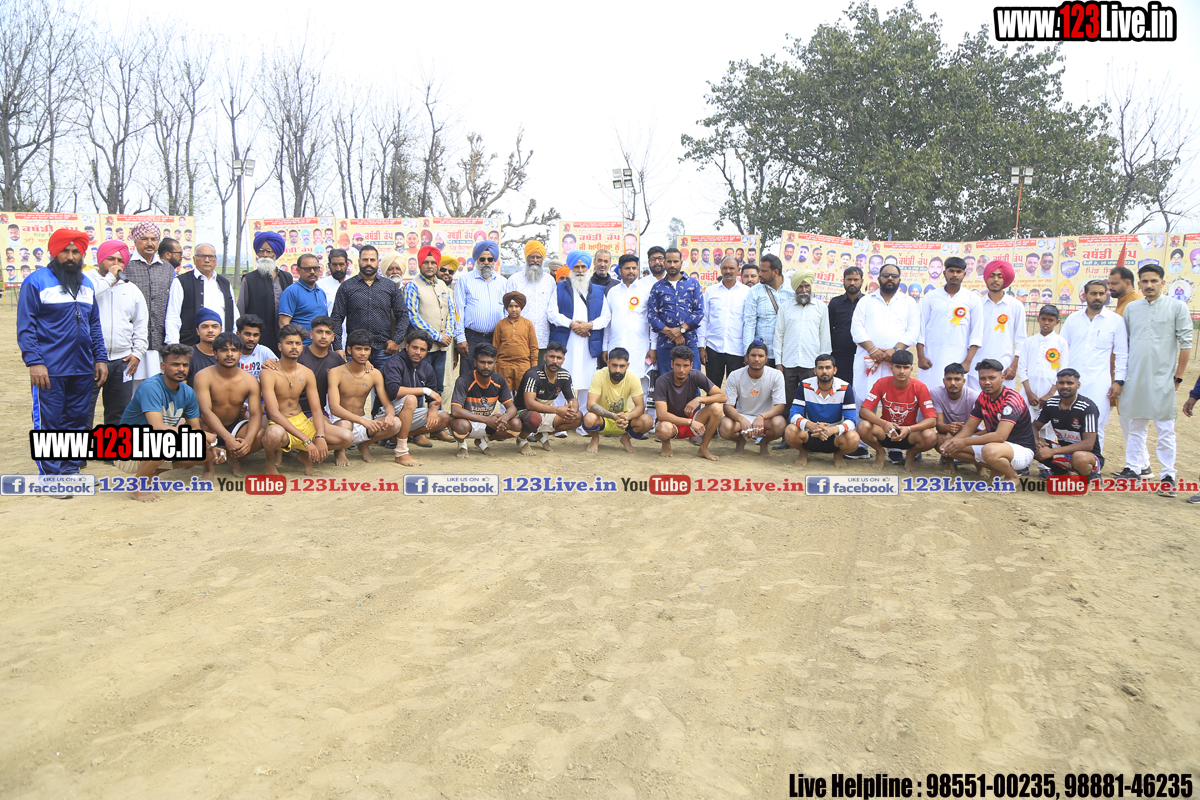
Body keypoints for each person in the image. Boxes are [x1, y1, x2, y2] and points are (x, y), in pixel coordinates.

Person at [18, 228, 108, 480]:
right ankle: (51, 475)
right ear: (54, 252)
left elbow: (94, 324)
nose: (70, 257)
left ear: (82, 255)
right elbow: (26, 327)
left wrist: (100, 358)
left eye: (75, 252)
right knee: (50, 421)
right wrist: (35, 362)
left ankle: (70, 469)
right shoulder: (36, 282)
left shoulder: (87, 284)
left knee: (77, 419)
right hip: (50, 368)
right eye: (65, 251)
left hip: (83, 366)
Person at [1111, 264, 1192, 495]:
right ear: (1139, 284)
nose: (1149, 285)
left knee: (1165, 428)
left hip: (1162, 378)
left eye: (1154, 281)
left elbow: (1186, 343)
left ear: (1162, 283)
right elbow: (1124, 345)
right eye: (1144, 281)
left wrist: (1178, 377)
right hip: (1134, 377)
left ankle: (1168, 476)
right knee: (1136, 426)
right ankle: (1133, 469)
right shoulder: (1132, 308)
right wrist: (1121, 377)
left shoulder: (1176, 307)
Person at [118, 344, 210, 502]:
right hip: (126, 448)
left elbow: (195, 429)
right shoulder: (151, 387)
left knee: (206, 450)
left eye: (185, 365)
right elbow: (157, 427)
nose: (181, 369)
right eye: (175, 364)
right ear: (163, 366)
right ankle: (136, 486)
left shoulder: (188, 392)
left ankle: (151, 472)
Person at [261, 325, 352, 476]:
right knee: (273, 434)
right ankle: (270, 462)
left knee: (347, 438)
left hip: (302, 420)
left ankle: (305, 455)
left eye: (298, 343)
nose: (294, 347)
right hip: (280, 423)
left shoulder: (306, 373)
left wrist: (320, 436)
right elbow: (273, 413)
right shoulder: (269, 373)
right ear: (280, 346)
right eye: (289, 343)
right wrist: (307, 441)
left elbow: (316, 410)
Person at [940, 359, 1039, 480]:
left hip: (1020, 449)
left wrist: (964, 442)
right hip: (995, 446)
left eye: (992, 378)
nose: (987, 382)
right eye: (983, 378)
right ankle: (997, 468)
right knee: (948, 444)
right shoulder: (983, 396)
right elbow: (969, 427)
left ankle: (1012, 476)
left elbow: (1000, 436)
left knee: (988, 450)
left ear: (1002, 378)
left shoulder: (1011, 399)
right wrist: (953, 442)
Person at [84, 239, 147, 428]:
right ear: (101, 260)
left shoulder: (132, 289)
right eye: (111, 259)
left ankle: (113, 446)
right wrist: (109, 280)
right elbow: (87, 298)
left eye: (120, 260)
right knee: (84, 410)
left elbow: (141, 324)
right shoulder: (87, 282)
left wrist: (137, 353)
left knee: (119, 412)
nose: (116, 264)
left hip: (122, 360)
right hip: (90, 358)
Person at [1060, 280, 1127, 452]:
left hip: (1099, 382)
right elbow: (1062, 349)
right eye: (1093, 293)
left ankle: (1095, 462)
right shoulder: (1073, 319)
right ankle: (1068, 461)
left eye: (1101, 293)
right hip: (1071, 382)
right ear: (1085, 295)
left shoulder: (1115, 321)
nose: (1098, 297)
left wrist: (1118, 381)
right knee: (1068, 421)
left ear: (1106, 295)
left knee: (1096, 424)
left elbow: (1121, 354)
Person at [850, 262, 920, 415]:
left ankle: (891, 431)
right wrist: (872, 350)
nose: (890, 279)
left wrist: (895, 351)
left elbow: (913, 331)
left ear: (899, 279)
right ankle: (862, 431)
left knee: (895, 403)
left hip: (895, 362)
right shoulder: (866, 301)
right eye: (886, 275)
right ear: (879, 278)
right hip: (868, 359)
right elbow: (856, 328)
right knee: (864, 400)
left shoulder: (909, 302)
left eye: (894, 276)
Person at [326, 329, 404, 464]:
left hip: (362, 421)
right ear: (349, 350)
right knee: (345, 423)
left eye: (366, 349)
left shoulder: (374, 374)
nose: (363, 353)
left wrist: (390, 415)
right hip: (339, 422)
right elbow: (334, 408)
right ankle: (340, 451)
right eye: (358, 349)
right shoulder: (336, 372)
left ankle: (364, 445)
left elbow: (387, 404)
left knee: (396, 423)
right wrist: (363, 421)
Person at [193, 332, 264, 478]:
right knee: (198, 435)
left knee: (260, 435)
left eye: (234, 350)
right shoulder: (203, 376)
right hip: (208, 426)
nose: (229, 354)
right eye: (224, 350)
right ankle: (208, 467)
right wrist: (228, 438)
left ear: (240, 353)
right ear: (215, 353)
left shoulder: (250, 381)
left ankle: (234, 457)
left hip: (234, 425)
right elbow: (205, 411)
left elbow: (256, 414)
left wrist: (248, 441)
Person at [329, 245, 408, 371]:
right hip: (355, 349)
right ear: (359, 261)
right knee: (355, 383)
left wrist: (396, 340)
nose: (369, 263)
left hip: (383, 350)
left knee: (384, 383)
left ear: (378, 262)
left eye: (372, 260)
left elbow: (403, 315)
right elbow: (336, 319)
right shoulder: (347, 287)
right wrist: (338, 347)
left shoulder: (389, 286)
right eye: (365, 260)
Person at [379, 331, 453, 464]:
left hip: (408, 413)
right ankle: (401, 451)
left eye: (422, 350)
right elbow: (394, 391)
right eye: (415, 347)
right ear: (407, 346)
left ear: (427, 352)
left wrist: (433, 409)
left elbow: (434, 398)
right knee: (411, 399)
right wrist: (425, 390)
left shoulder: (427, 368)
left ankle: (397, 436)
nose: (418, 352)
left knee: (444, 418)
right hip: (386, 413)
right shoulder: (395, 362)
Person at [857, 350, 937, 470]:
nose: (902, 371)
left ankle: (911, 454)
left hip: (909, 433)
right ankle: (880, 452)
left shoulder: (920, 387)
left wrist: (909, 429)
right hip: (886, 432)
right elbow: (864, 411)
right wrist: (884, 424)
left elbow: (932, 420)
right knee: (863, 426)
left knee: (931, 436)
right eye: (898, 367)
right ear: (892, 368)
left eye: (906, 367)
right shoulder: (882, 383)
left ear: (911, 369)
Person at [548, 250, 610, 395]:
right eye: (576, 267)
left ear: (588, 268)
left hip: (588, 342)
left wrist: (590, 325)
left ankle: (584, 409)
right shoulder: (560, 288)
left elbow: (606, 316)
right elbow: (551, 313)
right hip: (566, 341)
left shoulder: (599, 291)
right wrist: (572, 324)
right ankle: (560, 409)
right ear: (571, 268)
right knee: (561, 379)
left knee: (587, 382)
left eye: (583, 267)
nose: (580, 270)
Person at [401, 244, 458, 398]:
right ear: (420, 264)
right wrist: (438, 336)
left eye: (433, 263)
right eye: (426, 262)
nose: (430, 266)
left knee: (437, 389)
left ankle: (436, 414)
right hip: (421, 349)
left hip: (441, 348)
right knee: (418, 390)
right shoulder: (412, 286)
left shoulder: (442, 285)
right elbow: (412, 317)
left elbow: (450, 313)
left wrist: (448, 334)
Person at [783, 353, 861, 466]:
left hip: (835, 435)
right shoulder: (805, 385)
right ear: (815, 370)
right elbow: (794, 414)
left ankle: (838, 455)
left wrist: (832, 430)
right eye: (820, 368)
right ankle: (803, 452)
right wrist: (811, 426)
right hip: (811, 433)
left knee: (853, 437)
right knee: (790, 430)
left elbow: (852, 421)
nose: (824, 371)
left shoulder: (845, 387)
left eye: (828, 367)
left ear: (835, 370)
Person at [654, 344, 727, 461]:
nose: (681, 370)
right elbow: (662, 415)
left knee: (717, 408)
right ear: (672, 364)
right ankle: (666, 444)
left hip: (692, 419)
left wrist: (699, 399)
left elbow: (723, 397)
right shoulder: (662, 381)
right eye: (678, 365)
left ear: (691, 365)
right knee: (664, 429)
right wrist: (689, 422)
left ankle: (703, 448)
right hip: (671, 423)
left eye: (686, 366)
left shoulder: (696, 375)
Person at [123, 221, 174, 386]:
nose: (150, 243)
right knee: (132, 391)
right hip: (131, 343)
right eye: (144, 239)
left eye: (154, 239)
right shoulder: (125, 266)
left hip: (159, 341)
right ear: (135, 240)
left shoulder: (167, 268)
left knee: (157, 388)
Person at [917, 256, 981, 387]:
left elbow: (977, 333)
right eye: (951, 271)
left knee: (955, 391)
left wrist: (967, 361)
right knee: (929, 391)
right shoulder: (931, 297)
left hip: (960, 356)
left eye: (959, 271)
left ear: (964, 274)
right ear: (944, 273)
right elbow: (921, 328)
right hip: (932, 356)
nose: (955, 275)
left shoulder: (973, 299)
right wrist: (921, 356)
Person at [773, 268, 832, 409]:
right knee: (787, 399)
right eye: (800, 286)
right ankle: (788, 422)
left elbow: (825, 336)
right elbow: (779, 335)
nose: (804, 290)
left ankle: (808, 423)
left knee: (811, 399)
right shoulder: (785, 307)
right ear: (795, 288)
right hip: (788, 363)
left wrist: (823, 363)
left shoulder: (821, 307)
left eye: (807, 286)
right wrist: (778, 362)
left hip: (811, 362)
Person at [718, 340, 787, 457]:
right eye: (753, 355)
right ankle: (740, 440)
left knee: (780, 424)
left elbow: (780, 406)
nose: (756, 359)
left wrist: (761, 416)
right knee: (725, 427)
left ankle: (764, 443)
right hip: (742, 417)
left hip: (765, 419)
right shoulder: (735, 375)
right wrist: (741, 419)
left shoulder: (776, 375)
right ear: (746, 357)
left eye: (761, 356)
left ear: (766, 358)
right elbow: (728, 406)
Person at [449, 343, 520, 458]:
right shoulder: (464, 380)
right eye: (482, 362)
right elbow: (455, 410)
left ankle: (483, 441)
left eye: (490, 363)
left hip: (487, 422)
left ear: (495, 363)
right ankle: (462, 444)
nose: (486, 366)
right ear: (475, 362)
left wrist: (504, 418)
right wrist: (486, 419)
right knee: (461, 425)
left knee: (516, 425)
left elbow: (512, 408)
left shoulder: (499, 380)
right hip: (467, 421)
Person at [1032, 368, 1103, 479]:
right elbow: (1034, 426)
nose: (1065, 386)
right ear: (1057, 384)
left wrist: (1052, 451)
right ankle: (1062, 474)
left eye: (1070, 383)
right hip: (1063, 451)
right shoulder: (1051, 403)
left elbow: (1088, 444)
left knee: (1079, 457)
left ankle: (1089, 478)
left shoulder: (1088, 407)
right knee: (1031, 443)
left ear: (1078, 385)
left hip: (1087, 455)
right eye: (1061, 383)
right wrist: (1036, 442)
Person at [514, 340, 583, 453]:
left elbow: (573, 399)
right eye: (552, 356)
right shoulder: (533, 374)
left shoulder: (564, 375)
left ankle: (541, 434)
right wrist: (558, 410)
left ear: (563, 360)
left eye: (559, 358)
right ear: (545, 357)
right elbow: (529, 404)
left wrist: (572, 410)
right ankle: (521, 439)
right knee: (534, 418)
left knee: (577, 416)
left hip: (545, 412)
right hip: (523, 412)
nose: (555, 361)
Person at [582, 347, 654, 453]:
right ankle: (595, 438)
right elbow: (590, 405)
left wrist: (627, 417)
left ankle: (626, 439)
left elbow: (640, 406)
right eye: (614, 365)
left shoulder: (633, 377)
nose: (618, 370)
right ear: (608, 363)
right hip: (603, 419)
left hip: (624, 420)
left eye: (622, 366)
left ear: (627, 365)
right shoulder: (599, 375)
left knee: (647, 420)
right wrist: (614, 416)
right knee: (589, 418)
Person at [972, 259, 1025, 391]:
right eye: (992, 275)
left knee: (1001, 401)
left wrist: (1013, 366)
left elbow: (1021, 340)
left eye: (1000, 276)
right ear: (986, 278)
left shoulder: (1016, 306)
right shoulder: (977, 304)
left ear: (1005, 279)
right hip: (976, 366)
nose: (995, 280)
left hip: (1004, 367)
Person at [647, 248, 703, 372]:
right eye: (669, 261)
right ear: (664, 262)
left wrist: (681, 329)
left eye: (676, 261)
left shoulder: (693, 284)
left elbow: (699, 311)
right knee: (666, 381)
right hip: (665, 344)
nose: (672, 265)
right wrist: (670, 333)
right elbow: (652, 315)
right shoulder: (657, 287)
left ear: (681, 262)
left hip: (689, 342)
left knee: (692, 379)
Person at [165, 243, 234, 345]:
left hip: (222, 345)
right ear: (194, 259)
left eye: (210, 257)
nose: (207, 260)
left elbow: (233, 314)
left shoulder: (225, 283)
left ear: (216, 260)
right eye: (202, 256)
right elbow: (173, 315)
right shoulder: (181, 282)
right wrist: (173, 345)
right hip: (190, 345)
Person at [238, 231, 293, 355]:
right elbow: (241, 309)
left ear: (276, 254)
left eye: (269, 251)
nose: (264, 255)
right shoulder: (249, 279)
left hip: (283, 336)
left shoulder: (287, 277)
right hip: (257, 338)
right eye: (261, 251)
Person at [454, 240, 505, 374]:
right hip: (471, 338)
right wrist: (460, 338)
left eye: (490, 259)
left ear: (494, 261)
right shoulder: (465, 280)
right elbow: (458, 311)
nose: (486, 262)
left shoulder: (503, 282)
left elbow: (506, 311)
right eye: (482, 259)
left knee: (492, 377)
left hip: (495, 338)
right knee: (468, 377)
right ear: (477, 260)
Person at [698, 256, 750, 386]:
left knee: (736, 389)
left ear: (738, 270)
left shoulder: (747, 292)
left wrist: (748, 351)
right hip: (714, 348)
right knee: (712, 388)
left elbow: (749, 322)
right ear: (720, 269)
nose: (728, 271)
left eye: (732, 268)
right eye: (725, 268)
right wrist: (701, 347)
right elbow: (703, 319)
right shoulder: (711, 291)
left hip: (737, 349)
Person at [603, 254, 653, 383]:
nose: (631, 271)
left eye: (634, 268)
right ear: (620, 271)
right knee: (615, 382)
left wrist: (653, 347)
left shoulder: (646, 291)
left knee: (640, 384)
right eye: (627, 268)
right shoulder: (612, 292)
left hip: (639, 346)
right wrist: (604, 347)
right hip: (616, 344)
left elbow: (652, 322)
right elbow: (607, 322)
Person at [1018, 305, 1069, 431]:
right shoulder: (1029, 342)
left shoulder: (1061, 342)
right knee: (1025, 423)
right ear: (1038, 319)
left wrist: (1050, 394)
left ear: (1057, 322)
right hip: (1030, 389)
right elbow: (1022, 368)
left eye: (1050, 320)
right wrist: (1029, 393)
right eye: (1044, 319)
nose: (1046, 323)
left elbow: (1062, 370)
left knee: (1049, 425)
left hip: (1051, 388)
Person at [742, 254, 790, 368]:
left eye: (764, 271)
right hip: (763, 355)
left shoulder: (792, 290)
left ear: (775, 272)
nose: (760, 274)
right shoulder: (755, 291)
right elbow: (749, 323)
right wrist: (748, 352)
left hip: (787, 354)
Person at [930, 363, 979, 472]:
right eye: (949, 379)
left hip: (971, 433)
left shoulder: (974, 397)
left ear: (964, 381)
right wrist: (949, 427)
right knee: (941, 438)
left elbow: (978, 426)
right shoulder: (936, 393)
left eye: (957, 379)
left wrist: (964, 430)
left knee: (981, 439)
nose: (953, 383)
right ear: (943, 381)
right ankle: (949, 461)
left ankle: (979, 465)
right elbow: (939, 425)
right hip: (949, 432)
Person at [493, 292, 539, 394]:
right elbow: (495, 347)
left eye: (517, 306)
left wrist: (534, 368)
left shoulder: (528, 324)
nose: (514, 309)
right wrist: (495, 366)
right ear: (506, 307)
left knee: (522, 395)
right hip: (504, 365)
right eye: (510, 306)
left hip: (523, 365)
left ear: (521, 307)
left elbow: (533, 347)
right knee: (505, 395)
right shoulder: (501, 324)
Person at [277, 253, 327, 344]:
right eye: (307, 269)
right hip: (301, 347)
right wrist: (293, 346)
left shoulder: (321, 292)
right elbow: (284, 323)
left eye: (315, 268)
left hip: (321, 347)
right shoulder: (291, 292)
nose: (312, 272)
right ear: (298, 270)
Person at [828, 266, 864, 384]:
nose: (852, 283)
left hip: (862, 353)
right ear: (843, 281)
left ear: (862, 281)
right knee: (840, 386)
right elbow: (828, 328)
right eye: (849, 279)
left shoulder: (867, 302)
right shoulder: (835, 303)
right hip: (839, 354)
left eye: (856, 279)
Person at [186, 308, 224, 387]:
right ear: (197, 331)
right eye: (205, 327)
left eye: (215, 327)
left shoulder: (228, 354)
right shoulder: (188, 355)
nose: (210, 330)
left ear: (221, 330)